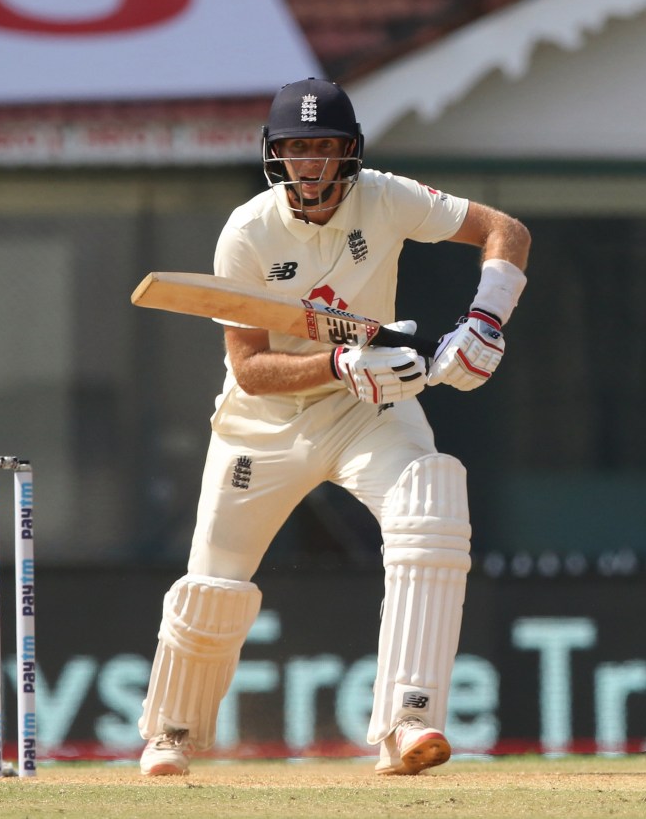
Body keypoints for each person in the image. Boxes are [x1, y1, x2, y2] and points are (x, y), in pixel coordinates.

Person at [138, 77, 531, 777]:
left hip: (368, 409)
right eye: (295, 149)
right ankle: (171, 731)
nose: (310, 165)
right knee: (215, 583)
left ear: (349, 153)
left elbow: (505, 230)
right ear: (275, 156)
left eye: (323, 148)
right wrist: (341, 361)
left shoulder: (385, 197)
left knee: (432, 503)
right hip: (263, 424)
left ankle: (409, 719)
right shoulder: (248, 232)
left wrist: (485, 319)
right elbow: (252, 368)